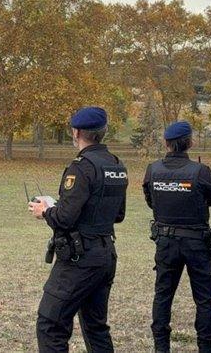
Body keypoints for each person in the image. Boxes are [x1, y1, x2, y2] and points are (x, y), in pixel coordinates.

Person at [28, 106, 128, 353]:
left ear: (76, 132)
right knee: (96, 328)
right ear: (103, 132)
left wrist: (45, 211)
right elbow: (119, 214)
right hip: (105, 255)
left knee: (50, 324)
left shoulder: (81, 167)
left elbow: (64, 218)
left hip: (79, 259)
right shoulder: (117, 165)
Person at [143, 121, 211, 353]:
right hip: (196, 244)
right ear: (189, 143)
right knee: (204, 299)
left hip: (165, 241)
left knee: (163, 295)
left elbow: (150, 200)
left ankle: (161, 347)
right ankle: (206, 347)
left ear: (166, 143)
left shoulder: (153, 170)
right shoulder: (200, 171)